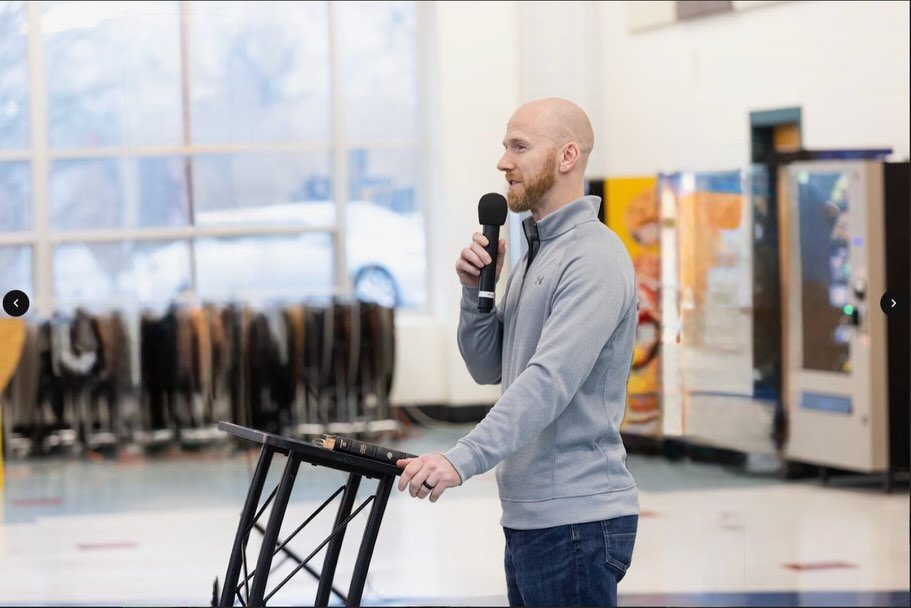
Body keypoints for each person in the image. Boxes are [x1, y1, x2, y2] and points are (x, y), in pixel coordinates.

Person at [396, 98, 639, 607]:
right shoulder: (536, 252)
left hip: (576, 521)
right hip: (534, 517)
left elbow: (547, 381)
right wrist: (476, 292)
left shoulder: (592, 257)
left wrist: (461, 460)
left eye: (519, 146)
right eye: (505, 146)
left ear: (568, 155)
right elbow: (490, 367)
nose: (503, 161)